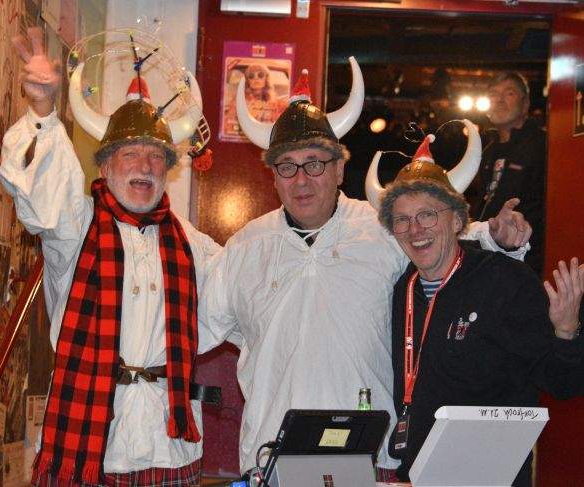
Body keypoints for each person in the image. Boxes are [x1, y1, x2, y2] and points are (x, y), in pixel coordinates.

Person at [199, 60, 532, 480]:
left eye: (315, 163)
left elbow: (447, 238)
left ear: (339, 168)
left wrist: (499, 238)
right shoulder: (245, 248)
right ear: (273, 176)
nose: (301, 180)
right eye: (287, 165)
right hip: (272, 456)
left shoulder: (381, 228)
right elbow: (192, 329)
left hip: (366, 454)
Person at [0, 28, 220, 486]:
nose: (144, 167)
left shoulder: (193, 245)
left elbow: (246, 295)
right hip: (85, 448)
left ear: (169, 170)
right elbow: (44, 196)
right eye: (130, 154)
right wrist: (42, 110)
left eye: (156, 157)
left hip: (168, 447)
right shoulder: (76, 227)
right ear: (104, 166)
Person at [374, 137, 584, 486]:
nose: (415, 230)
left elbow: (563, 385)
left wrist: (566, 331)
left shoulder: (505, 281)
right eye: (402, 220)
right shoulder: (402, 290)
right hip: (419, 476)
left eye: (427, 214)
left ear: (458, 220)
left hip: (491, 477)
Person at [472, 71, 546, 277]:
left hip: (528, 261)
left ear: (525, 104)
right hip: (488, 258)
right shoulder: (489, 151)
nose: (499, 100)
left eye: (509, 93)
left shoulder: (543, 145)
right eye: (494, 94)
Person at [223, 63, 287, 137]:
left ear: (266, 78)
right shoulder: (238, 100)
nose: (256, 78)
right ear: (248, 81)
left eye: (260, 75)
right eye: (251, 76)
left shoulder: (278, 103)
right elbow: (229, 122)